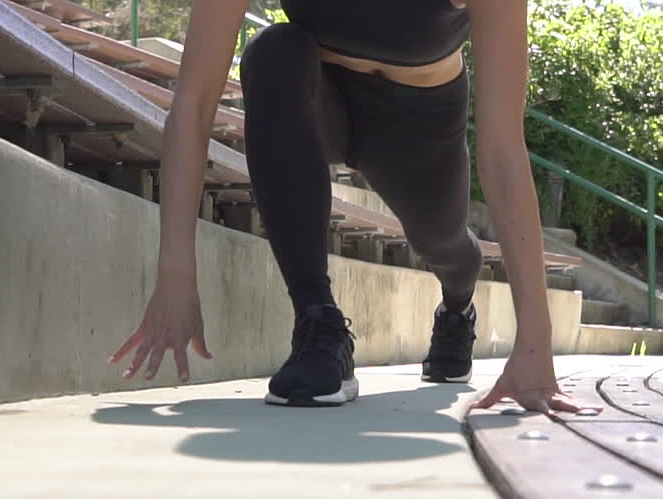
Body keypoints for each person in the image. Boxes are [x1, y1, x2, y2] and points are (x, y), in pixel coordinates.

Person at [110, 0, 585, 415]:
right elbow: (193, 103)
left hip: (418, 119)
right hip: (321, 97)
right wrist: (175, 272)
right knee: (273, 50)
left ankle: (457, 307)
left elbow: (503, 149)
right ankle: (320, 325)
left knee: (443, 244)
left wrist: (534, 343)